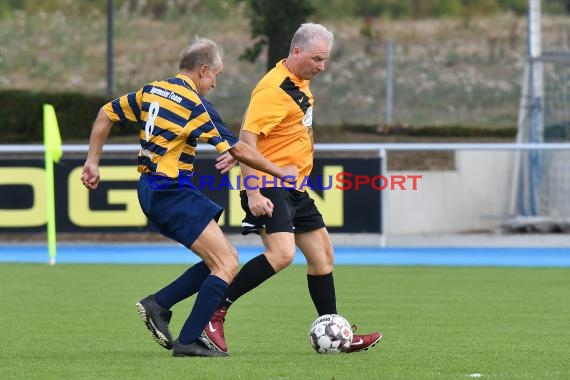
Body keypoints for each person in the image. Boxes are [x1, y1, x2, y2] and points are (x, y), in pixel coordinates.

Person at [81, 38, 297, 358]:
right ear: (203, 70)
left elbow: (106, 113)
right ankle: (187, 341)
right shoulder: (196, 105)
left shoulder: (151, 90)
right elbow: (237, 147)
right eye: (215, 76)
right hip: (171, 191)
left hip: (152, 188)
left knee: (221, 259)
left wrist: (92, 161)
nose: (214, 83)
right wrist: (281, 173)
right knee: (226, 263)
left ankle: (159, 305)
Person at [200, 23, 382, 354]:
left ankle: (335, 335)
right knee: (282, 254)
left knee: (323, 256)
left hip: (293, 187)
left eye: (325, 60)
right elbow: (246, 139)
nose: (321, 67)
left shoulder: (300, 83)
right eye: (317, 59)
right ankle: (214, 312)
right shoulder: (273, 90)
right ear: (296, 52)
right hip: (269, 186)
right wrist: (253, 193)